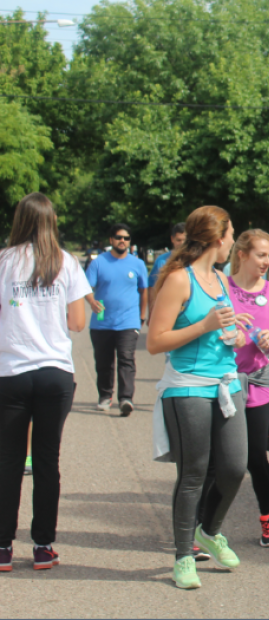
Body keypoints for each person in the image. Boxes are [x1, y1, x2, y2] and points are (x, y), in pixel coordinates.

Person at [147, 206, 248, 590]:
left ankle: (210, 530)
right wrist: (206, 325)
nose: (232, 242)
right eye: (231, 234)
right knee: (193, 474)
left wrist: (233, 333)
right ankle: (183, 556)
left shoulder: (220, 279)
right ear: (218, 238)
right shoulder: (178, 280)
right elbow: (156, 342)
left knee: (235, 467)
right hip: (188, 386)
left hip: (226, 382)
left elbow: (217, 330)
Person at [0, 193, 91, 573]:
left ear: (19, 220)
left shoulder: (3, 262)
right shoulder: (66, 262)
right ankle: (43, 545)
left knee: (7, 461)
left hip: (12, 372)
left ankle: (3, 547)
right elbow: (77, 323)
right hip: (54, 372)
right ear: (51, 221)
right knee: (47, 461)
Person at [228, 229, 269, 548]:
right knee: (223, 460)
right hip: (225, 379)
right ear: (242, 254)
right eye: (261, 255)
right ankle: (202, 526)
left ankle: (267, 517)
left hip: (260, 378)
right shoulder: (222, 288)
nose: (267, 261)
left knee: (255, 458)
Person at [83, 223, 148, 416]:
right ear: (111, 240)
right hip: (102, 322)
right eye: (119, 237)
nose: (122, 241)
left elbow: (144, 291)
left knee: (126, 359)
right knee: (104, 362)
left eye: (126, 238)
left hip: (128, 321)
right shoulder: (98, 263)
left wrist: (142, 315)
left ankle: (126, 398)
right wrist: (92, 302)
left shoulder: (137, 264)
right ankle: (105, 396)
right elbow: (86, 288)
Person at [148, 223, 186, 309]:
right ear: (172, 239)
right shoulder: (161, 261)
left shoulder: (195, 261)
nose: (182, 243)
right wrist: (151, 311)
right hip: (165, 309)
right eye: (179, 240)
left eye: (185, 240)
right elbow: (152, 288)